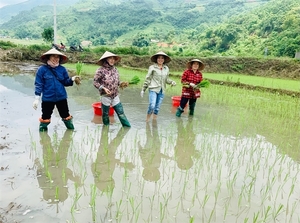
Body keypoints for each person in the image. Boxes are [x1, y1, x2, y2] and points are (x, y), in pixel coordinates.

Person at [32, 48, 80, 131]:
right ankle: (43, 137)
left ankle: (71, 131)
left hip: (61, 97)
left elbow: (66, 82)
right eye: (53, 56)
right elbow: (39, 84)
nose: (55, 59)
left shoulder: (62, 69)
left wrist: (72, 79)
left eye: (57, 57)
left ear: (60, 59)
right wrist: (37, 98)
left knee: (66, 115)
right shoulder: (42, 70)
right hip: (48, 98)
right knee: (45, 117)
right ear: (48, 57)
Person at [93, 51, 131, 127]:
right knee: (105, 115)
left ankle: (127, 127)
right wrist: (103, 88)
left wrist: (121, 83)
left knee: (121, 113)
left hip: (115, 95)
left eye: (113, 58)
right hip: (105, 96)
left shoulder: (115, 70)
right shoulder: (100, 70)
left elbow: (117, 81)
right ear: (106, 59)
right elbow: (95, 82)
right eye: (110, 58)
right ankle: (105, 131)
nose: (112, 60)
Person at [140, 51, 176, 122]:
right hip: (153, 89)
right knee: (152, 105)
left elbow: (167, 79)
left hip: (162, 90)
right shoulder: (152, 67)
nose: (160, 59)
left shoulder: (166, 68)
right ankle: (147, 121)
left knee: (157, 108)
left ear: (164, 59)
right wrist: (143, 89)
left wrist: (172, 82)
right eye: (159, 58)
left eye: (162, 58)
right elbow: (148, 79)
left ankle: (154, 121)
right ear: (156, 59)